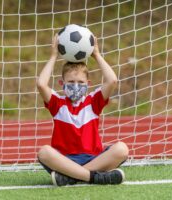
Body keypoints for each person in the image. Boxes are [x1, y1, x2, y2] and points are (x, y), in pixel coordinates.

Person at [36, 34, 129, 186]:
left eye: (80, 82)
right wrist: (53, 55)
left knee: (122, 149)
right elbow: (41, 84)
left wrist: (97, 54)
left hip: (94, 158)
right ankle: (95, 178)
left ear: (88, 84)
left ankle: (72, 177)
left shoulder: (93, 102)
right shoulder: (57, 103)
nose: (76, 86)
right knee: (44, 152)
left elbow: (112, 80)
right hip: (65, 160)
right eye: (71, 82)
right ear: (62, 83)